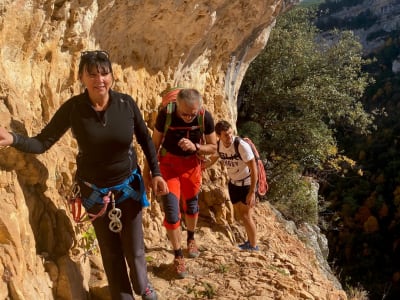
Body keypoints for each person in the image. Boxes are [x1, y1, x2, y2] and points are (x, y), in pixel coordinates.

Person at [0, 50, 168, 300]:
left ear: (111, 76)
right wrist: (13, 139)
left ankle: (143, 287)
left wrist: (156, 173)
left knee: (134, 249)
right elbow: (43, 142)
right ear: (81, 77)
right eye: (92, 74)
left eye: (104, 73)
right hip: (95, 193)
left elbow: (145, 140)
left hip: (128, 188)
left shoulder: (126, 104)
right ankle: (124, 297)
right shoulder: (74, 109)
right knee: (110, 254)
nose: (99, 79)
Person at [146, 88, 217, 278]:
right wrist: (149, 174)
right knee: (171, 211)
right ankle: (178, 256)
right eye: (184, 113)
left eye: (192, 114)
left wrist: (196, 146)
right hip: (168, 166)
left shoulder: (204, 116)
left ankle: (191, 238)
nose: (188, 117)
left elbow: (213, 146)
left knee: (192, 206)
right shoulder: (166, 114)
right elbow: (153, 145)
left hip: (191, 166)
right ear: (177, 105)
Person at [207, 120, 259, 251]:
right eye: (226, 135)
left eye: (230, 133)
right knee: (242, 214)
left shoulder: (241, 145)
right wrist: (198, 167)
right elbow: (211, 160)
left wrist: (252, 192)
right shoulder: (219, 146)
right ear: (219, 136)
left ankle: (253, 246)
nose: (229, 136)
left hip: (246, 183)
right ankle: (250, 242)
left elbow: (254, 169)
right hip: (234, 183)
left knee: (246, 215)